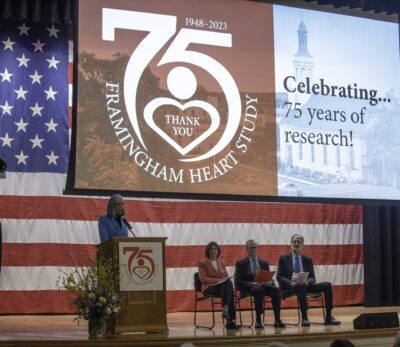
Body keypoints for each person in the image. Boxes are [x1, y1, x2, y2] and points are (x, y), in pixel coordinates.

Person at [277, 233, 341, 327]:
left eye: (298, 242)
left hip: (305, 286)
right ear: (291, 243)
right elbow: (279, 276)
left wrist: (307, 282)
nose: (296, 243)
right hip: (291, 288)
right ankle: (304, 317)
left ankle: (329, 316)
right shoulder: (284, 258)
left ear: (302, 245)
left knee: (327, 285)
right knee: (301, 285)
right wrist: (291, 282)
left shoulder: (307, 259)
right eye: (294, 241)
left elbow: (313, 278)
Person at [235, 240, 285, 329]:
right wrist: (253, 284)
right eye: (251, 248)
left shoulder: (264, 262)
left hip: (264, 287)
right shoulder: (240, 263)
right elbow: (238, 283)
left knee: (276, 290)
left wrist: (270, 282)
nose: (253, 249)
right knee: (259, 290)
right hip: (249, 290)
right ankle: (258, 320)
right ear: (246, 249)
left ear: (258, 249)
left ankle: (277, 319)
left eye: (255, 247)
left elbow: (269, 277)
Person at [198, 241, 240, 330]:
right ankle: (229, 320)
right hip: (209, 288)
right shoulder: (202, 262)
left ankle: (226, 309)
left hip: (222, 288)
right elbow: (203, 279)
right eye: (211, 249)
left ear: (218, 251)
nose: (213, 251)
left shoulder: (222, 262)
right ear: (208, 251)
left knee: (228, 283)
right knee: (229, 291)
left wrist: (223, 280)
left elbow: (225, 276)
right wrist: (216, 280)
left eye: (215, 249)